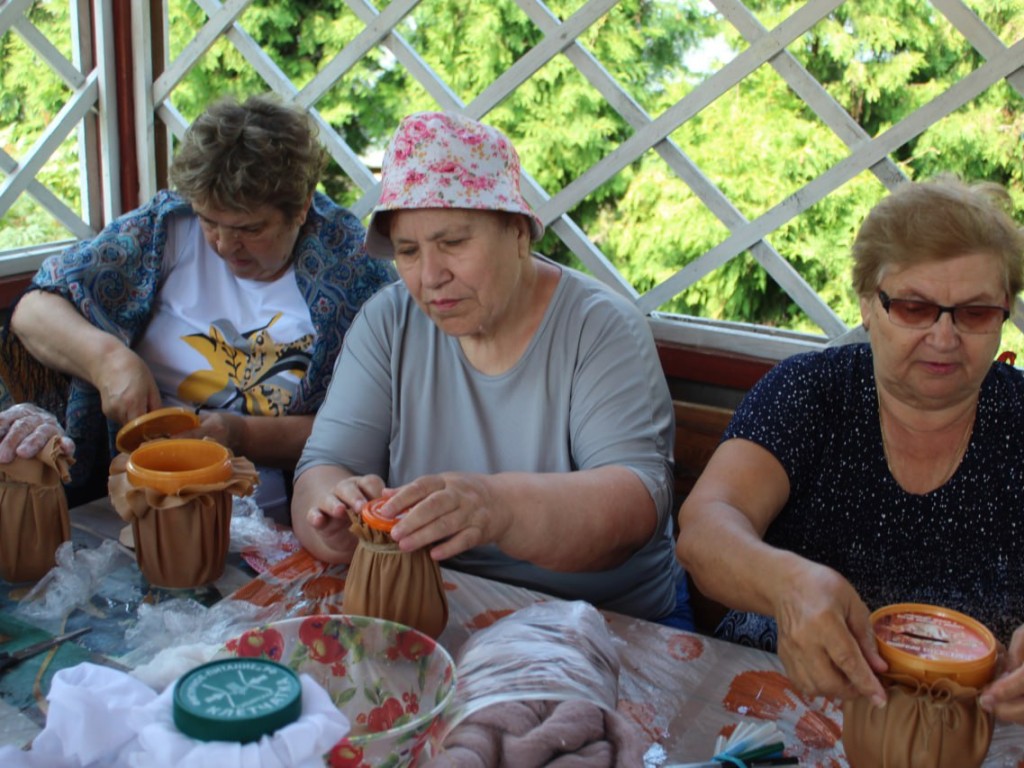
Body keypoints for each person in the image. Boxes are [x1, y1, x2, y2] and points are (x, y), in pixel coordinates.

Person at [292, 111, 691, 627]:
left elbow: (635, 504)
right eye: (408, 251)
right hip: (441, 604)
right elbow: (322, 467)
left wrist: (493, 507)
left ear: (519, 233)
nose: (431, 276)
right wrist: (330, 515)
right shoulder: (389, 320)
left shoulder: (600, 327)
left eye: (453, 243)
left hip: (606, 622)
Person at [676, 174, 1024, 722]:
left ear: (1005, 310)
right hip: (780, 707)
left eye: (975, 313)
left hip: (978, 728)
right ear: (867, 302)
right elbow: (704, 528)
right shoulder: (809, 392)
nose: (944, 336)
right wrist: (787, 586)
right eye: (913, 306)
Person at [0, 94, 396, 522]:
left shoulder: (355, 274)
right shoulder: (167, 229)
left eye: (250, 228)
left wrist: (240, 434)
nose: (225, 246)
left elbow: (367, 429)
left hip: (282, 520)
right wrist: (108, 360)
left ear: (301, 208)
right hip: (133, 500)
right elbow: (33, 311)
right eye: (211, 222)